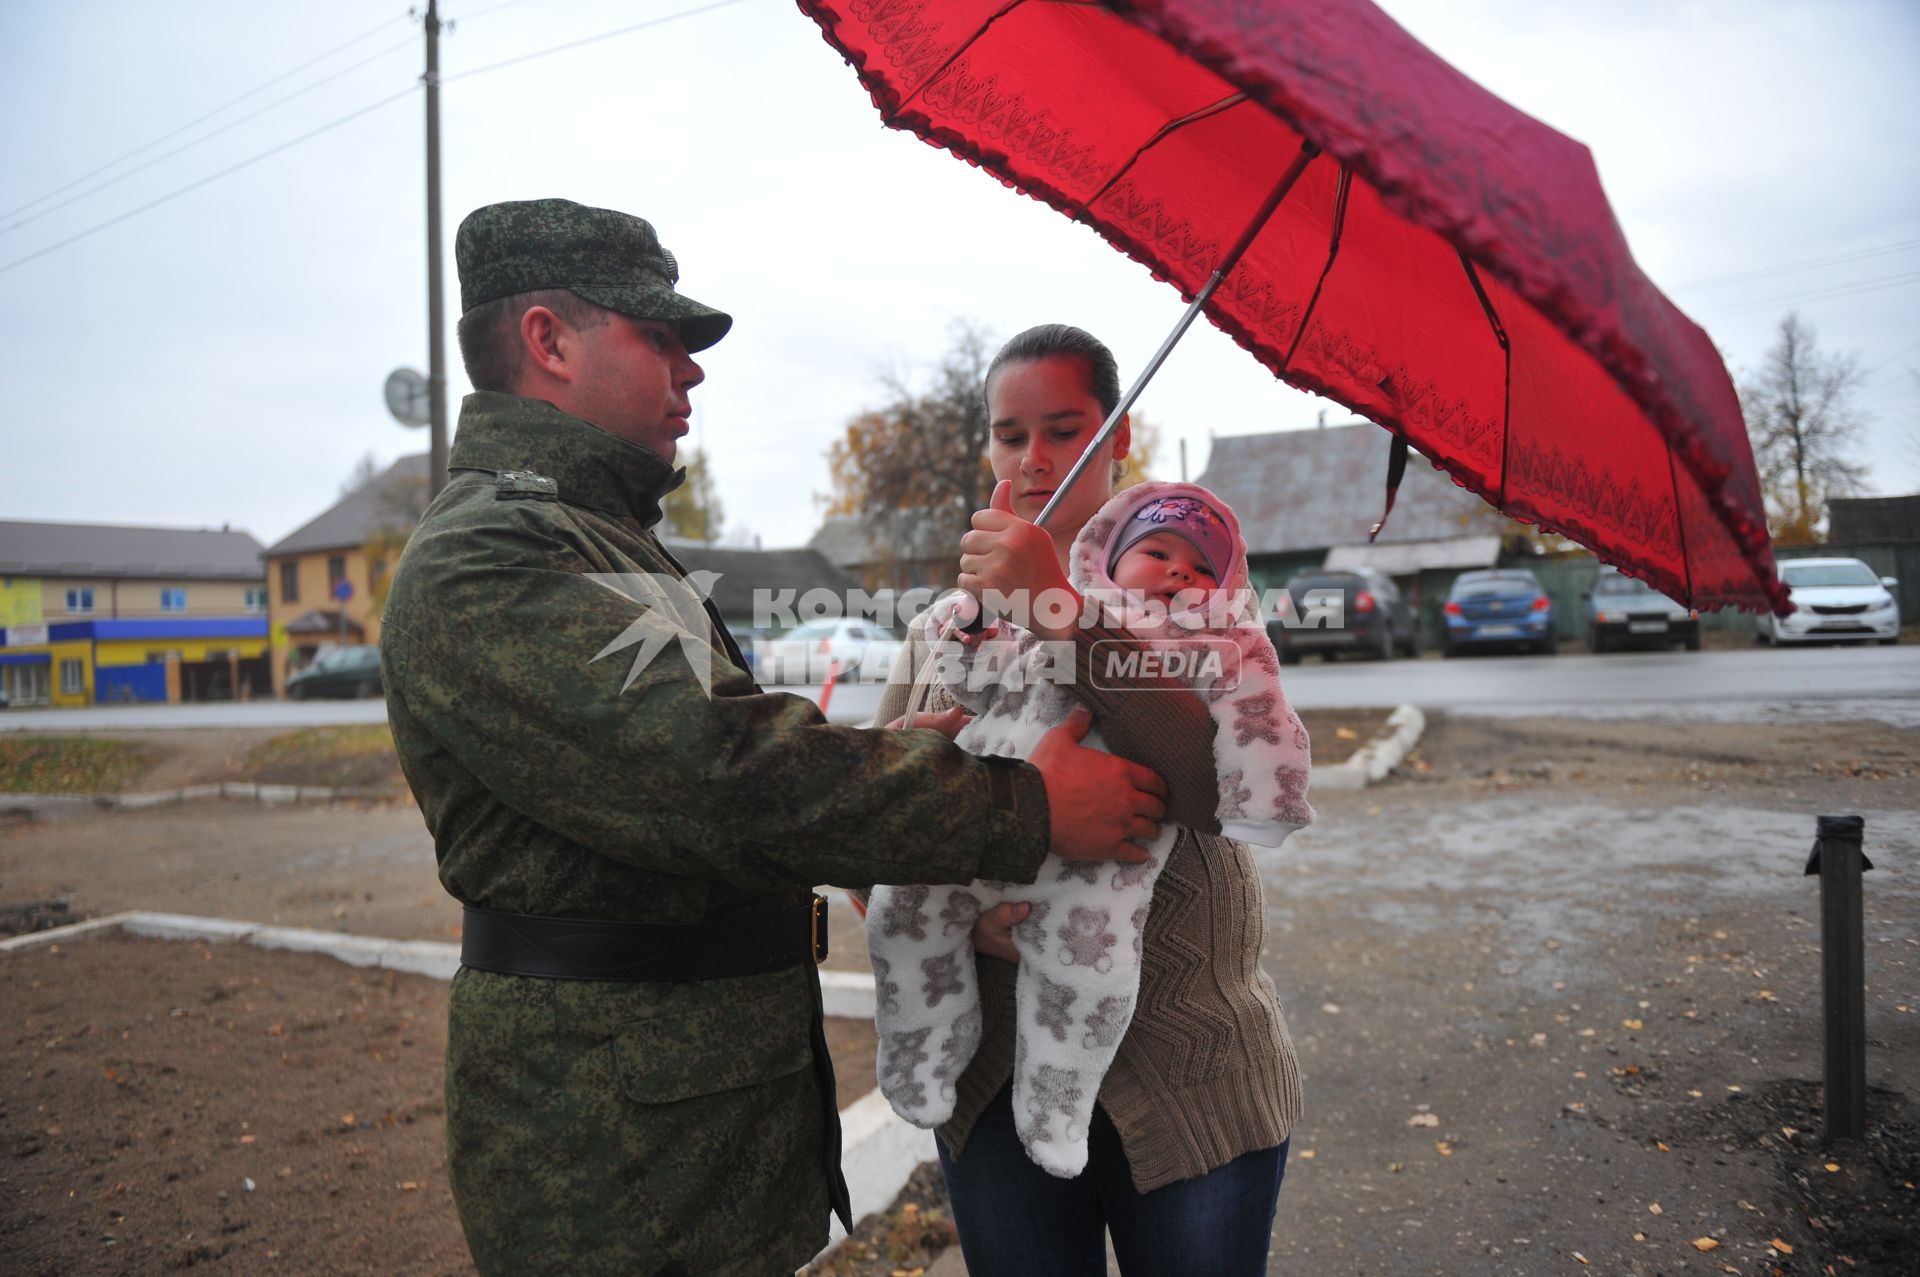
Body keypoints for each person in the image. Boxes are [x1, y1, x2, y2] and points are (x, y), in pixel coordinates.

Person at [378, 201, 1168, 1277]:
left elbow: (718, 747)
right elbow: (719, 777)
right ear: (548, 341)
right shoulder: (499, 551)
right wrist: (1015, 802)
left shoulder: (594, 535)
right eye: (660, 336)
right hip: (617, 1156)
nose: (690, 371)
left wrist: (906, 759)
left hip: (682, 1126)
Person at [874, 324, 1305, 1276]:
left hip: (1192, 1078)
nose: (1035, 461)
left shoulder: (1200, 597)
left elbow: (1208, 788)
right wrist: (979, 916)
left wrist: (1059, 609)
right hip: (996, 1087)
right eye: (1010, 435)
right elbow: (870, 826)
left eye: (1063, 431)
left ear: (1117, 438)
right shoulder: (944, 627)